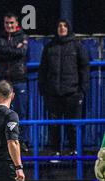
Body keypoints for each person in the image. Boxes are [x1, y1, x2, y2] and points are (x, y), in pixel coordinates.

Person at [38, 19, 90, 158]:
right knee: (54, 125)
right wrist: (42, 88)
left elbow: (84, 68)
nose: (62, 28)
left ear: (69, 28)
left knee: (73, 124)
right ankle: (55, 151)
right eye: (59, 25)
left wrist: (83, 89)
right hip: (53, 93)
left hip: (72, 93)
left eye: (65, 25)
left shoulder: (77, 46)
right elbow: (43, 69)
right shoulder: (49, 47)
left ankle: (74, 151)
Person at [0, 13, 30, 152]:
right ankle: (3, 142)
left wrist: (5, 50)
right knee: (2, 112)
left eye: (11, 23)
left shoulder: (23, 36)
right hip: (3, 81)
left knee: (21, 112)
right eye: (7, 23)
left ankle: (22, 141)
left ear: (16, 23)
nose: (9, 25)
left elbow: (22, 52)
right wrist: (14, 50)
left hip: (19, 79)